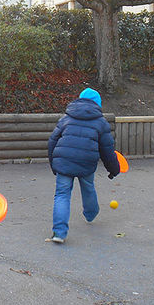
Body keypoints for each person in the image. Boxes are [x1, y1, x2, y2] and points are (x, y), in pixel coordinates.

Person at [47, 87, 120, 244]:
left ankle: (59, 233)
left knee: (62, 194)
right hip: (86, 162)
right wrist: (114, 169)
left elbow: (52, 140)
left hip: (64, 161)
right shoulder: (101, 123)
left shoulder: (66, 117)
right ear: (98, 104)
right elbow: (107, 150)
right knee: (88, 187)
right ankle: (91, 213)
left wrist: (54, 164)